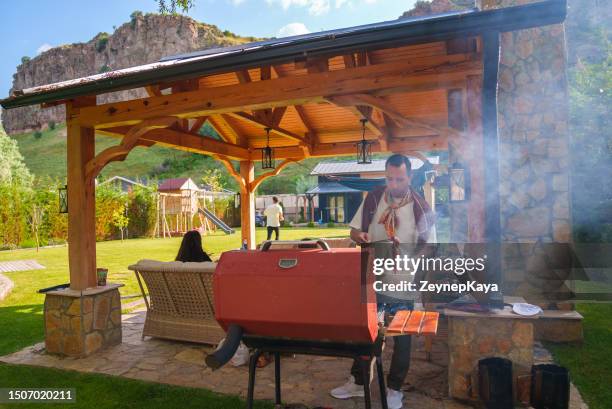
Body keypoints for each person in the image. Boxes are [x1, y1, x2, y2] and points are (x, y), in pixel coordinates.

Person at [330, 154, 435, 409]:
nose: (394, 184)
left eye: (399, 179)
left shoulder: (421, 207)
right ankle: (358, 381)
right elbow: (353, 231)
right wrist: (361, 234)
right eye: (389, 178)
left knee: (401, 337)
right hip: (371, 277)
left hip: (402, 281)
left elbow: (429, 247)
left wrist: (409, 257)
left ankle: (395, 389)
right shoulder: (374, 197)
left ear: (410, 177)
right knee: (367, 331)